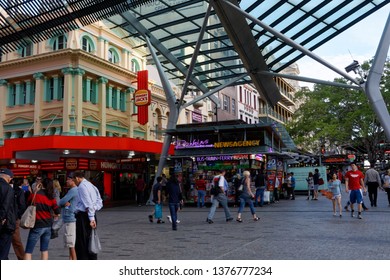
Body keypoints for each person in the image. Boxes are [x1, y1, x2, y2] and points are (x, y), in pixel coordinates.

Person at [24, 178, 61, 260]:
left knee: (28, 251)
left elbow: (28, 203)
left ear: (41, 184)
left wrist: (35, 191)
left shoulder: (35, 195)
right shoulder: (51, 197)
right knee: (44, 250)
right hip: (48, 225)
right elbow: (58, 212)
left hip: (37, 225)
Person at [73, 170, 103, 260]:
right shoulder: (92, 185)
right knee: (91, 240)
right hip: (91, 215)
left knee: (82, 243)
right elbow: (100, 202)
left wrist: (91, 218)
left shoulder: (82, 186)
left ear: (77, 178)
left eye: (74, 180)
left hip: (84, 217)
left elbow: (88, 203)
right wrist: (94, 210)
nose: (74, 182)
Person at [58, 175, 79, 260]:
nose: (66, 181)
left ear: (73, 180)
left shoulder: (73, 190)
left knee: (71, 243)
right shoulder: (77, 190)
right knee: (71, 243)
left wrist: (63, 203)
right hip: (73, 216)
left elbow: (61, 201)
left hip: (70, 217)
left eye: (68, 180)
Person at [0, 169, 17, 260]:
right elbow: (5, 206)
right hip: (5, 224)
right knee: (3, 251)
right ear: (8, 177)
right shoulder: (8, 188)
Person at [11, 178, 26, 260]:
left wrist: (17, 216)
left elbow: (22, 206)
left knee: (16, 240)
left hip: (14, 218)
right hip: (9, 217)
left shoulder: (18, 191)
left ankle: (22, 258)